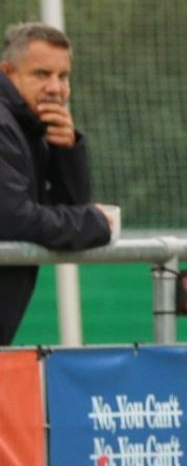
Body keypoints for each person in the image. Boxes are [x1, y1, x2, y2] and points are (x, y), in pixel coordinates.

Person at [0, 23, 113, 346]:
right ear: (7, 73)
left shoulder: (29, 126)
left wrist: (69, 153)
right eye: (41, 74)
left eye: (63, 77)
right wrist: (96, 222)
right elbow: (13, 218)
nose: (55, 87)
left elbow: (68, 207)